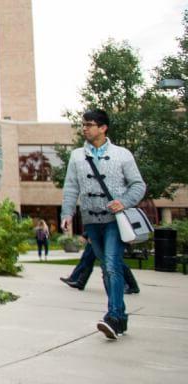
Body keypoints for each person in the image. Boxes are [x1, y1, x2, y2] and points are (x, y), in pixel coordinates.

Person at [60, 109, 146, 339]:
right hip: (91, 220)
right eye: (84, 125)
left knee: (111, 265)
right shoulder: (77, 156)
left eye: (89, 124)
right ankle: (121, 318)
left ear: (103, 127)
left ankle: (114, 317)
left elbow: (138, 185)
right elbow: (70, 187)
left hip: (114, 221)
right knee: (107, 271)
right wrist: (67, 213)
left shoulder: (122, 154)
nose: (85, 129)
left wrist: (124, 202)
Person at [59, 234, 140, 294]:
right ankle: (79, 280)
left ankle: (130, 285)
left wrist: (88, 234)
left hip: (105, 234)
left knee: (114, 261)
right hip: (100, 233)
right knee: (88, 257)